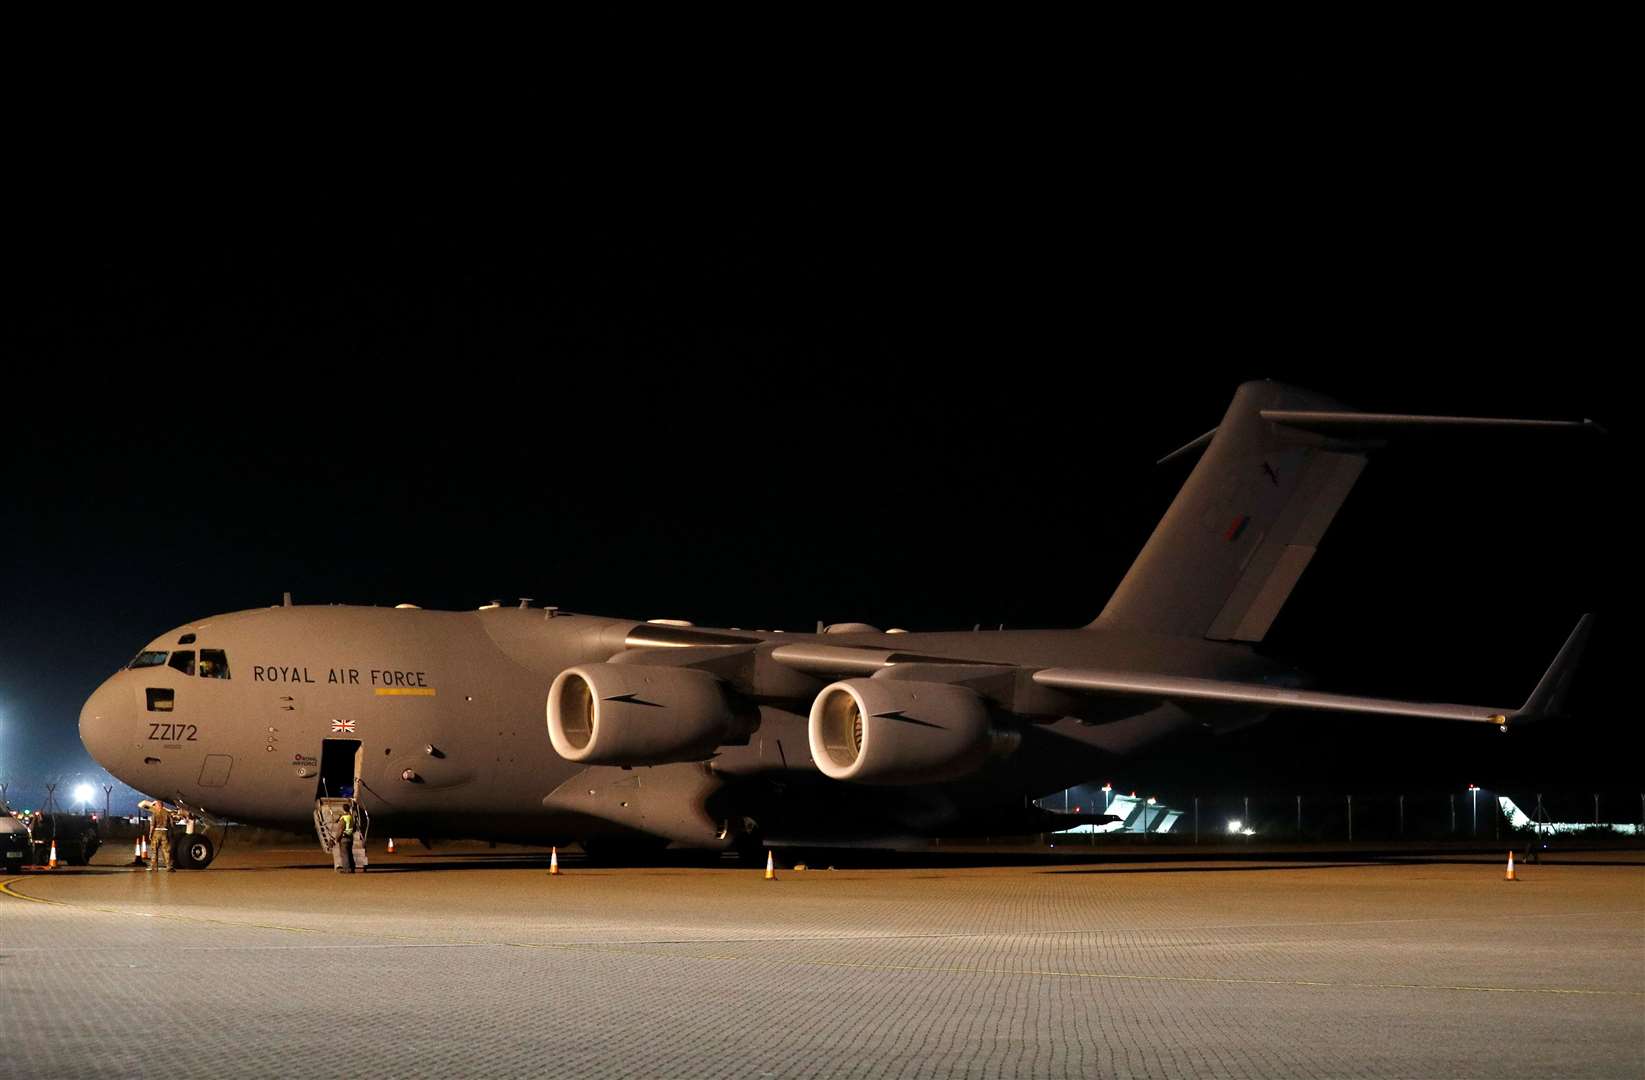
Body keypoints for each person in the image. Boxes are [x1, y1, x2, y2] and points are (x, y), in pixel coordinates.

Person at [143, 800, 174, 872]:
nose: (154, 807)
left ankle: (154, 867)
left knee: (154, 850)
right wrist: (171, 833)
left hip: (156, 832)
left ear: (158, 805)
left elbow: (152, 825)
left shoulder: (155, 813)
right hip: (165, 832)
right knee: (166, 850)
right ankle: (168, 867)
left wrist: (150, 834)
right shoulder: (167, 813)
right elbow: (172, 824)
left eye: (155, 805)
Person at [333, 805, 355, 873]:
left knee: (344, 854)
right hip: (350, 837)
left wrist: (336, 839)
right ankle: (352, 868)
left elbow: (340, 829)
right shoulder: (351, 817)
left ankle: (347, 869)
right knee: (350, 853)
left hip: (344, 838)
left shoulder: (343, 818)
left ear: (343, 809)